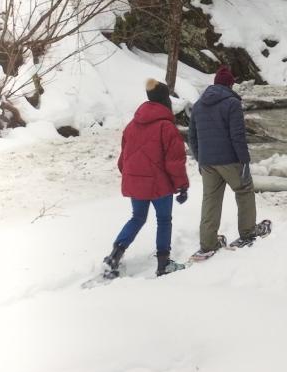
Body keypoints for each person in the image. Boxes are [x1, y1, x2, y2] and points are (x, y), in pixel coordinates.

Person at [106, 79, 189, 278]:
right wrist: (182, 186)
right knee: (164, 220)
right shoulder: (167, 127)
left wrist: (134, 176)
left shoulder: (131, 126)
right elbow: (174, 162)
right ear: (165, 101)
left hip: (137, 182)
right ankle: (163, 264)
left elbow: (123, 160)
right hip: (160, 185)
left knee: (137, 218)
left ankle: (114, 255)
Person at [186, 66, 268, 260]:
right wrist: (245, 162)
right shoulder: (232, 103)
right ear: (230, 84)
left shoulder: (198, 105)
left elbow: (192, 137)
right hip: (229, 160)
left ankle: (208, 244)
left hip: (207, 162)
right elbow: (237, 136)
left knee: (210, 200)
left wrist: (200, 159)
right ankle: (248, 233)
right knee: (244, 190)